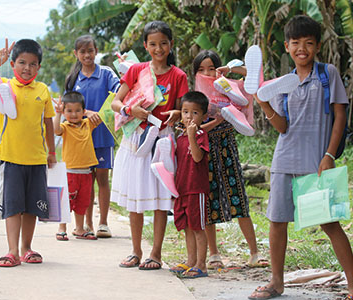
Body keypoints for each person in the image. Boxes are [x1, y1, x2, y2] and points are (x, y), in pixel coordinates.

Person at [248, 15, 353, 299]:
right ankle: (276, 282)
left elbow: (339, 115)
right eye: (295, 43)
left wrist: (329, 155)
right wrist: (263, 102)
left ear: (317, 46)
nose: (302, 49)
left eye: (308, 43)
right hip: (284, 160)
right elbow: (282, 127)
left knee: (329, 223)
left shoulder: (327, 74)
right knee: (276, 221)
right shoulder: (280, 85)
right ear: (286, 46)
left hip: (317, 162)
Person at [0, 38, 56, 267]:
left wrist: (52, 153)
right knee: (13, 206)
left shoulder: (43, 90)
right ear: (12, 64)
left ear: (39, 67)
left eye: (32, 64)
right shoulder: (1, 86)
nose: (27, 68)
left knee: (31, 207)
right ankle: (12, 251)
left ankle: (27, 248)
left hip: (37, 159)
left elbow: (48, 123)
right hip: (10, 159)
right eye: (21, 62)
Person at [111, 20, 188, 270]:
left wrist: (177, 112)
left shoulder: (179, 76)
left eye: (163, 43)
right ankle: (135, 251)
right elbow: (115, 102)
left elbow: (184, 107)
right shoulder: (136, 71)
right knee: (136, 196)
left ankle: (156, 253)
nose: (158, 48)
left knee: (159, 198)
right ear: (145, 45)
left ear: (171, 44)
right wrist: (129, 109)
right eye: (153, 44)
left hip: (162, 138)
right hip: (136, 137)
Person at [192, 50, 267, 270]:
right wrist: (217, 120)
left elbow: (253, 77)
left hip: (227, 146)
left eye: (211, 68)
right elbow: (192, 128)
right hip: (205, 148)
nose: (207, 73)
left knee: (239, 198)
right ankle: (213, 254)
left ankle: (254, 252)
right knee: (209, 200)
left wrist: (229, 70)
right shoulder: (195, 95)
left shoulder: (229, 86)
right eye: (201, 69)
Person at [65, 35, 120, 238]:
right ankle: (86, 223)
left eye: (90, 50)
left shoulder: (107, 74)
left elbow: (119, 92)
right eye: (82, 51)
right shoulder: (73, 79)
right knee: (85, 182)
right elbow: (67, 107)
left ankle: (103, 223)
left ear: (96, 51)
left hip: (104, 136)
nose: (87, 55)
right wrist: (87, 113)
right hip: (80, 140)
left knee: (103, 179)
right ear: (76, 54)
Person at [169, 91, 210, 278]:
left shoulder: (200, 134)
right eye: (185, 112)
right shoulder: (180, 137)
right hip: (182, 188)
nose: (189, 117)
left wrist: (193, 136)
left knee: (197, 227)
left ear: (203, 116)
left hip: (196, 189)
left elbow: (197, 156)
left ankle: (201, 264)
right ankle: (190, 261)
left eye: (194, 113)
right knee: (187, 227)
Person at [54, 91, 102, 241]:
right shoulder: (65, 126)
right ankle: (62, 227)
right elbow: (55, 130)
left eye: (77, 110)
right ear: (64, 112)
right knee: (67, 202)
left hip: (86, 172)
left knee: (83, 201)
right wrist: (58, 113)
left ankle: (80, 228)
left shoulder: (88, 124)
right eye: (69, 111)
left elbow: (101, 117)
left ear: (83, 111)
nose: (73, 114)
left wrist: (87, 112)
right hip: (70, 172)